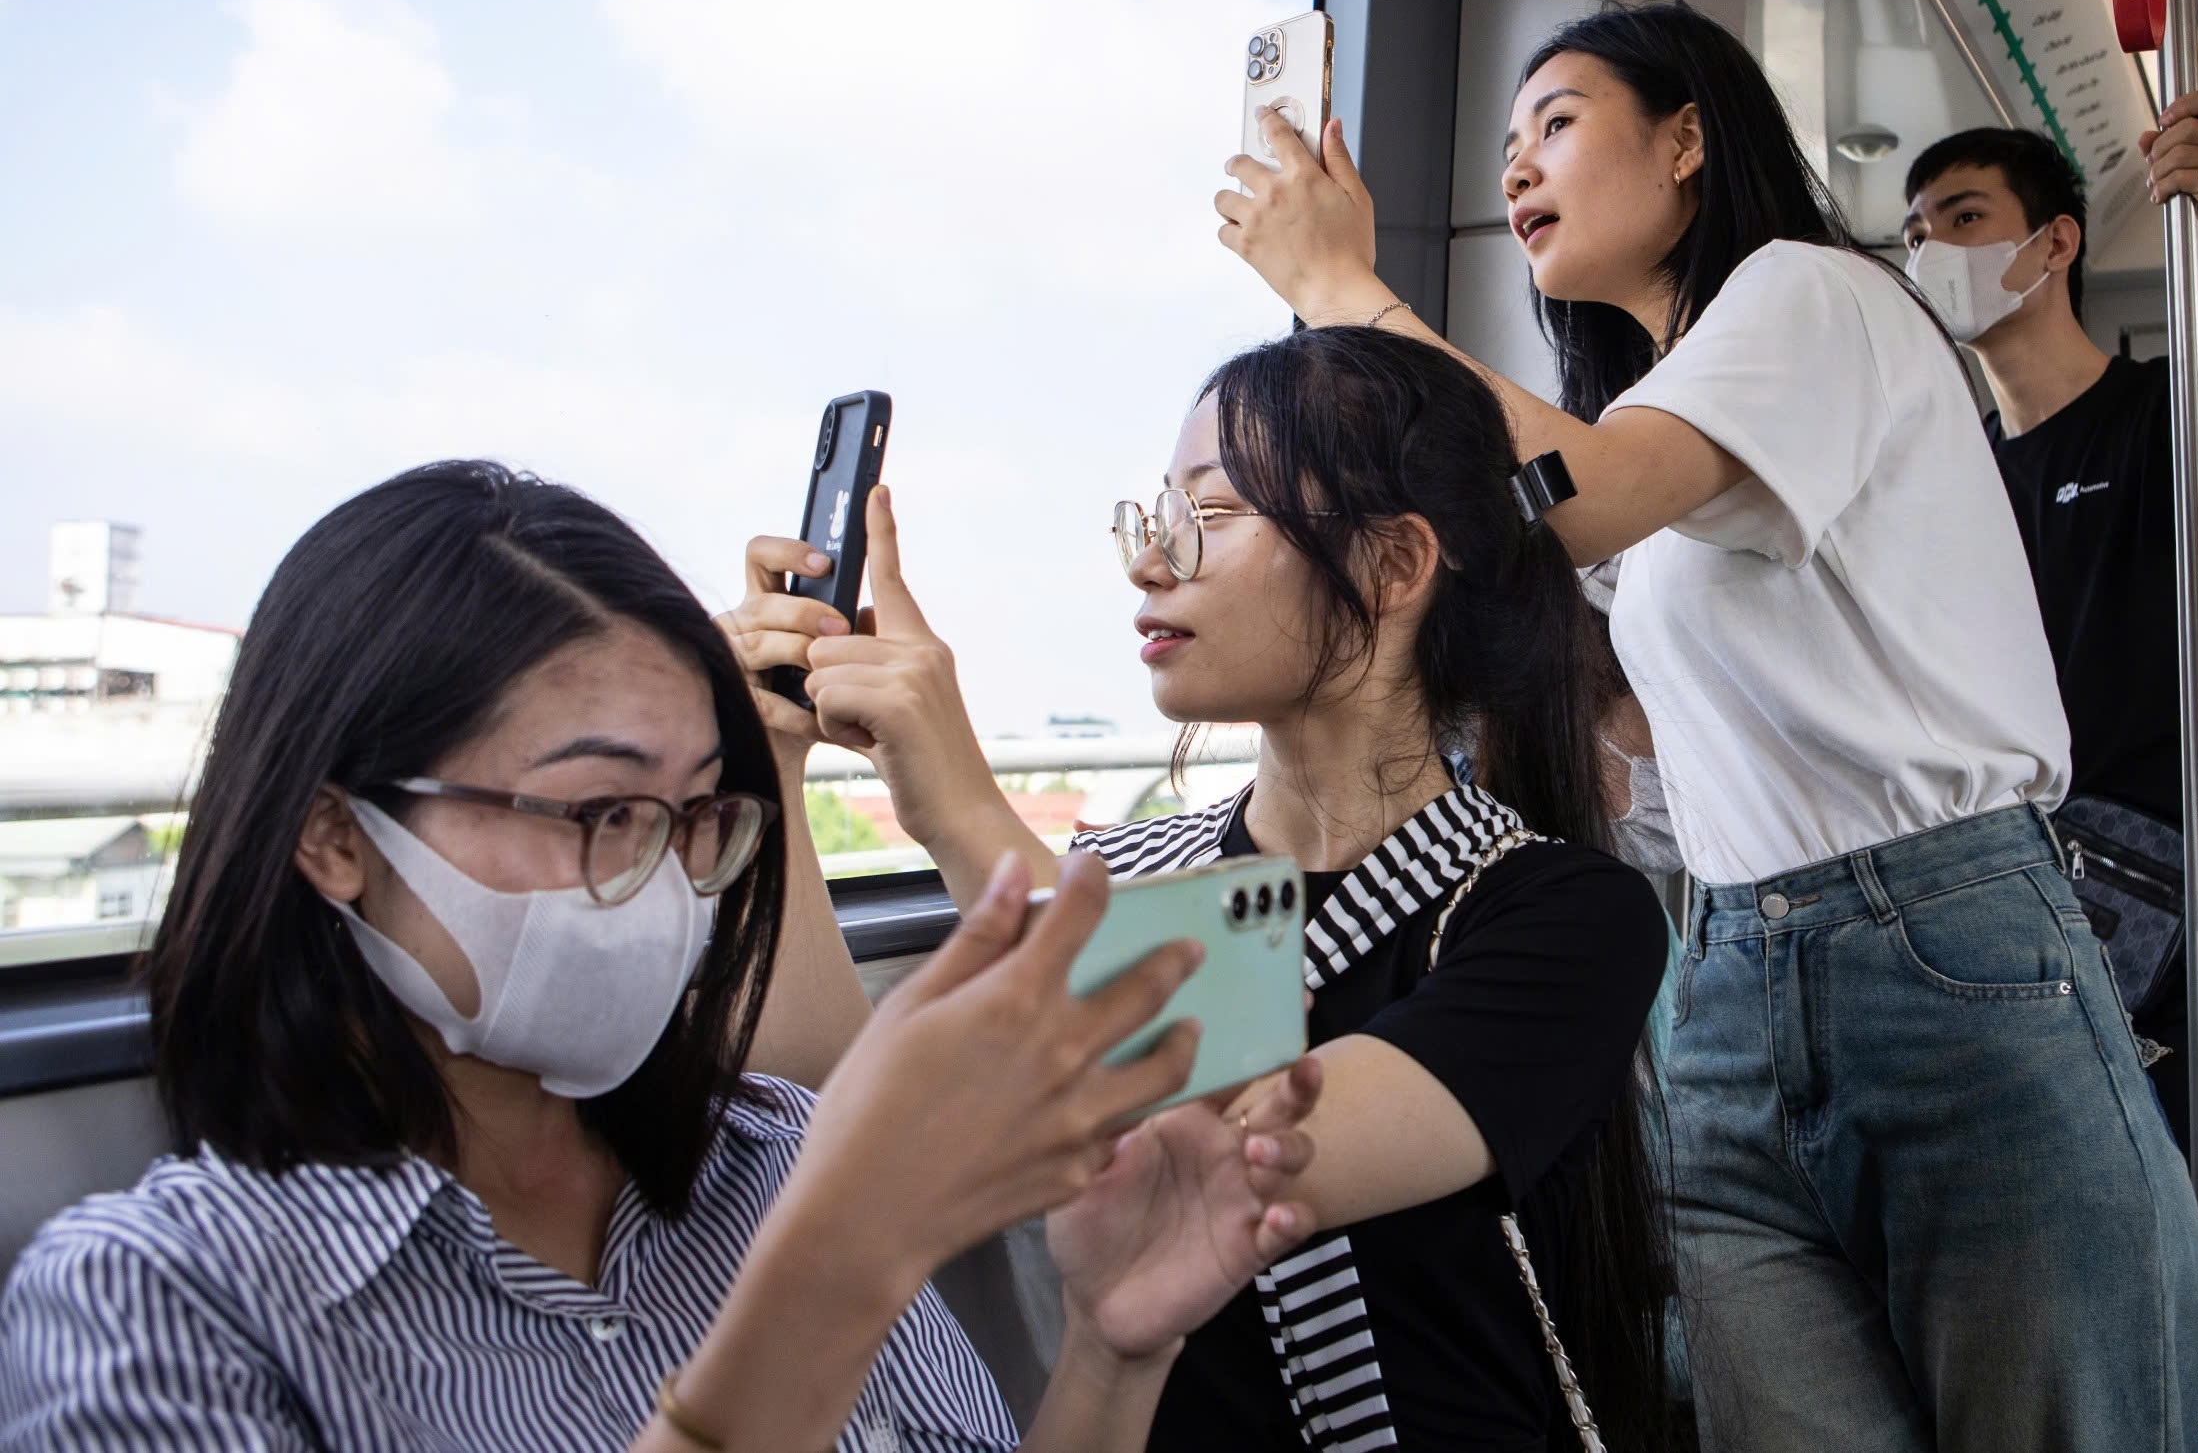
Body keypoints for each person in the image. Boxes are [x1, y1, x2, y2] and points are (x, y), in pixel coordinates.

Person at [1211, 0, 2198, 1451]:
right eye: (1504, 145)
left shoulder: (1815, 299)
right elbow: (1588, 600)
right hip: (1736, 978)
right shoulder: (1666, 425)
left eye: (1555, 123)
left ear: (1688, 140)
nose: (1515, 170)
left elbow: (1581, 492)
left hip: (1948, 949)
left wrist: (1342, 285)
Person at [0, 460, 1325, 1453]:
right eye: (599, 812)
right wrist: (840, 1266)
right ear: (336, 835)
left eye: (698, 814)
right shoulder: (157, 1303)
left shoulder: (772, 1159)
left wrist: (1107, 1352)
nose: (666, 885)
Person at [726, 326, 1676, 1453]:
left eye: (1209, 517)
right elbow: (814, 1103)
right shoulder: (1126, 882)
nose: (1148, 561)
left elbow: (1230, 1140)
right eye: (1155, 517)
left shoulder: (1562, 915)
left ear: (1394, 565)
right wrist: (770, 771)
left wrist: (959, 803)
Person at [1901, 107, 2198, 1450]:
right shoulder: (1955, 476)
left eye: (1962, 217)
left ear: (2052, 242)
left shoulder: (2153, 410)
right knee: (2066, 1303)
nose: (1932, 249)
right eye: (1914, 231)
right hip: (2016, 927)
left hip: (2176, 930)